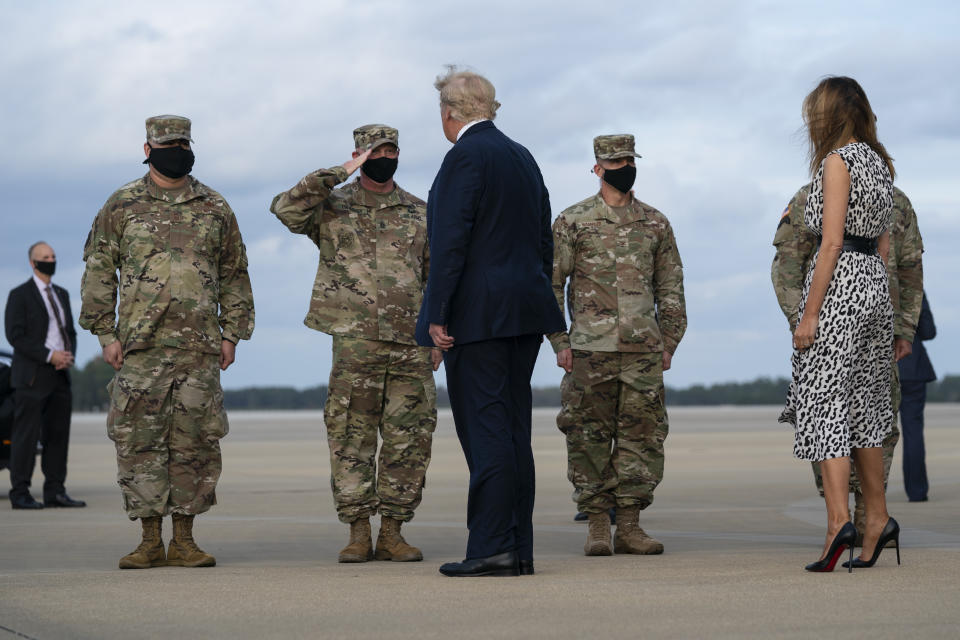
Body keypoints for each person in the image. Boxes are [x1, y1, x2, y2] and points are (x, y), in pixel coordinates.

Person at [80, 115, 254, 569]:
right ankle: (148, 540)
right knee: (140, 443)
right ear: (147, 148)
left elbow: (235, 274)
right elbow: (99, 270)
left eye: (182, 142)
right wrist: (105, 333)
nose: (176, 149)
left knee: (195, 444)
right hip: (140, 347)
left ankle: (185, 540)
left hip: (199, 347)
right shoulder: (121, 205)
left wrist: (231, 332)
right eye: (167, 143)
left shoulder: (214, 206)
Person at [416, 67, 565, 577]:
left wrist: (436, 314)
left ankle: (491, 548)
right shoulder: (522, 156)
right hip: (524, 312)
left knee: (486, 433)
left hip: (479, 317)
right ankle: (517, 548)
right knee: (513, 429)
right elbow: (544, 241)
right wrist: (541, 304)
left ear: (449, 113)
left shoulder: (465, 157)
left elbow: (449, 241)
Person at [270, 124, 439, 563]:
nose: (386, 157)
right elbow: (285, 210)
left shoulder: (421, 211)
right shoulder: (332, 207)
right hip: (355, 343)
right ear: (359, 155)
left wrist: (438, 335)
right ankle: (359, 531)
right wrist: (337, 173)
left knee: (410, 439)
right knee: (351, 437)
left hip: (411, 343)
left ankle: (394, 532)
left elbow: (435, 276)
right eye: (376, 151)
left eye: (392, 150)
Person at [779, 76, 901, 572]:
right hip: (874, 282)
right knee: (869, 405)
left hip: (842, 284)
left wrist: (810, 313)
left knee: (824, 400)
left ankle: (837, 525)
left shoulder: (838, 161)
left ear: (827, 116)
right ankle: (879, 520)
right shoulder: (880, 163)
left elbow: (829, 243)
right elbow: (886, 242)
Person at [550, 135, 686, 556]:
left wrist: (670, 339)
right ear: (597, 168)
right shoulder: (573, 221)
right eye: (614, 162)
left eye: (628, 160)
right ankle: (595, 524)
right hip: (590, 349)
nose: (623, 167)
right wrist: (559, 340)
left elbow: (671, 285)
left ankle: (629, 526)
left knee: (642, 438)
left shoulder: (655, 223)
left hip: (644, 349)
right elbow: (552, 283)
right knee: (587, 436)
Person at [772, 183, 924, 544]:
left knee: (877, 420)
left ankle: (869, 516)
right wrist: (803, 321)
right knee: (827, 419)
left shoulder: (895, 200)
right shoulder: (810, 197)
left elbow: (910, 267)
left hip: (878, 331)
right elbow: (788, 266)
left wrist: (905, 328)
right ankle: (840, 516)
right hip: (827, 329)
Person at [4, 242, 85, 510]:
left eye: (53, 256)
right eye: (45, 257)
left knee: (58, 436)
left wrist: (68, 354)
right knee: (25, 437)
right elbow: (16, 336)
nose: (51, 260)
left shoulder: (61, 293)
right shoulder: (20, 295)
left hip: (60, 375)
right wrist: (50, 355)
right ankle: (20, 493)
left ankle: (55, 491)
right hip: (32, 376)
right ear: (32, 262)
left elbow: (69, 332)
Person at [898, 292, 936, 502]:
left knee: (874, 436)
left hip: (878, 369)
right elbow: (929, 332)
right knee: (913, 434)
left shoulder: (870, 279)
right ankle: (917, 491)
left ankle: (872, 493)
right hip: (913, 368)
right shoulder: (915, 288)